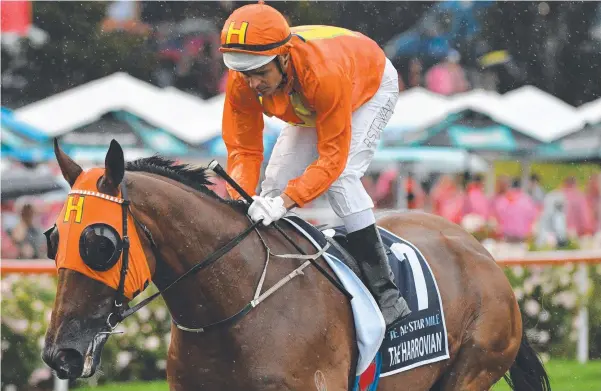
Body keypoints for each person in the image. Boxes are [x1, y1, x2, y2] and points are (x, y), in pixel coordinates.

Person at [219, 2, 410, 325]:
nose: (253, 85)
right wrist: (241, 200)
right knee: (274, 184)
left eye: (260, 74)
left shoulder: (323, 74)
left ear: (282, 56)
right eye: (245, 74)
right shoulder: (244, 79)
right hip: (308, 96)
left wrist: (286, 202)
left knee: (342, 178)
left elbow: (332, 160)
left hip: (368, 84)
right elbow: (244, 151)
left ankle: (386, 293)